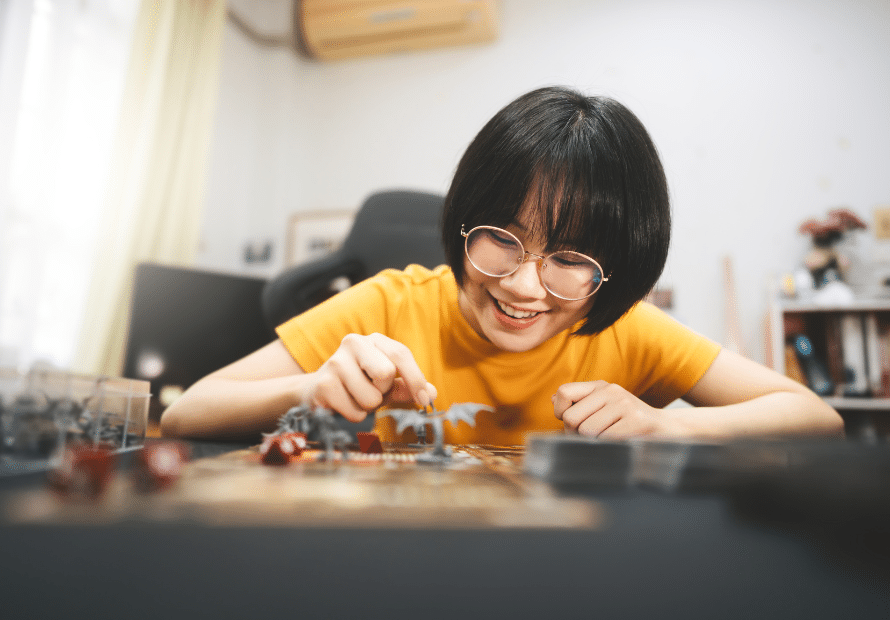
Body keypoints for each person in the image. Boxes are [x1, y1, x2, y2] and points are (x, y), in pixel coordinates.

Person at [160, 86, 843, 444]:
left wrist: (670, 422)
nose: (521, 286)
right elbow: (187, 412)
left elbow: (816, 418)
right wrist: (306, 394)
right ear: (461, 222)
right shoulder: (391, 305)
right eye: (501, 238)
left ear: (618, 272)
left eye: (571, 260)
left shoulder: (625, 330)